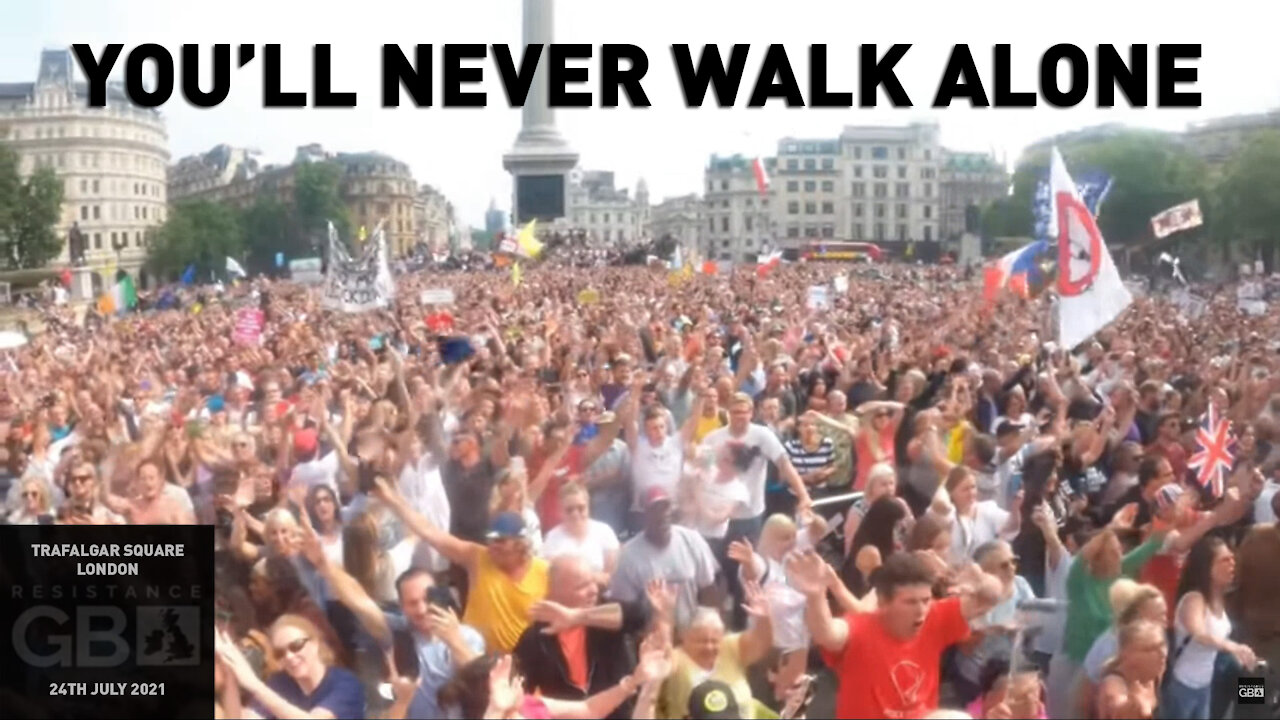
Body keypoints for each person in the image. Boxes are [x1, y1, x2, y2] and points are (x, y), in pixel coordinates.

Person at [791, 550, 1004, 718]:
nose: (921, 609)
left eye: (925, 600)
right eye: (910, 602)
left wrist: (980, 580)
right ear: (883, 602)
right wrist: (815, 595)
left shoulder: (936, 617)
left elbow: (990, 597)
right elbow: (826, 633)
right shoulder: (860, 628)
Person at [373, 477, 549, 654]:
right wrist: (391, 500)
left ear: (520, 544)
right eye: (491, 539)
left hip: (520, 663)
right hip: (472, 657)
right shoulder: (477, 557)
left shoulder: (544, 572)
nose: (493, 545)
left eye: (501, 540)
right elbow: (430, 532)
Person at [513, 555, 651, 718]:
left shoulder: (606, 616)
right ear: (555, 592)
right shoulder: (536, 638)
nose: (593, 590)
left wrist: (576, 616)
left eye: (593, 582)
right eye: (582, 586)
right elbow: (517, 687)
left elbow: (640, 615)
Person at [1164, 536, 1259, 720]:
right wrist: (1232, 647)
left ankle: (1256, 707)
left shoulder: (1221, 597)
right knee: (1253, 691)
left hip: (1207, 684)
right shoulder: (1194, 599)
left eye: (1232, 558)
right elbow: (1199, 634)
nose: (1232, 564)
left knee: (1257, 689)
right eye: (1225, 560)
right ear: (1207, 567)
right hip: (1184, 687)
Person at [214, 615, 364, 719]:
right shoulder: (280, 683)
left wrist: (254, 684)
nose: (289, 657)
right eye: (280, 653)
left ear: (316, 643)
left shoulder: (344, 683)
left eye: (296, 646)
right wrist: (229, 673)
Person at [610, 486, 719, 631]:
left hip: (691, 635)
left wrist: (709, 625)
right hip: (653, 638)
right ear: (643, 515)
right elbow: (625, 607)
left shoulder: (692, 540)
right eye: (655, 510)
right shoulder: (628, 555)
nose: (662, 515)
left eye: (665, 508)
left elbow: (709, 589)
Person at [541, 483, 620, 586]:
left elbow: (609, 576)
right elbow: (553, 576)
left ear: (588, 507)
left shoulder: (605, 532)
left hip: (601, 595)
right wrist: (593, 577)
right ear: (560, 511)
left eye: (581, 508)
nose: (575, 514)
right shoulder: (552, 538)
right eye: (569, 510)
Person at [1092, 619, 1167, 720]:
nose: (1163, 653)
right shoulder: (1113, 684)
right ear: (1128, 654)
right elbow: (1117, 703)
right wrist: (1138, 708)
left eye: (1162, 645)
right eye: (1151, 649)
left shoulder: (1153, 674)